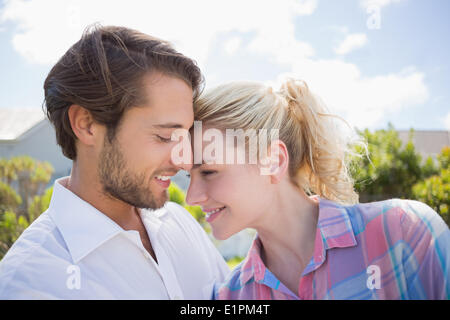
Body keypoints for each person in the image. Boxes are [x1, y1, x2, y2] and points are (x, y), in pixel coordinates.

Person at [0, 25, 229, 299]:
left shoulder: (181, 222)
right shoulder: (30, 283)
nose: (184, 162)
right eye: (165, 136)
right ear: (86, 125)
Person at [186, 79, 450, 300]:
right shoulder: (230, 297)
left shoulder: (404, 231)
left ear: (274, 161)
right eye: (189, 177)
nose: (191, 197)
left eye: (208, 172)